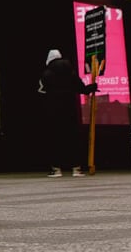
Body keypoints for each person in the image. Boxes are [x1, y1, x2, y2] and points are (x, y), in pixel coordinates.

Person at [39, 49, 97, 177]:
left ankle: (56, 169)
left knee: (55, 139)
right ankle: (76, 168)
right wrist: (92, 87)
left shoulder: (46, 73)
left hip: (53, 111)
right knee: (73, 138)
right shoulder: (70, 72)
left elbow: (41, 92)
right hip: (70, 109)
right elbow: (82, 89)